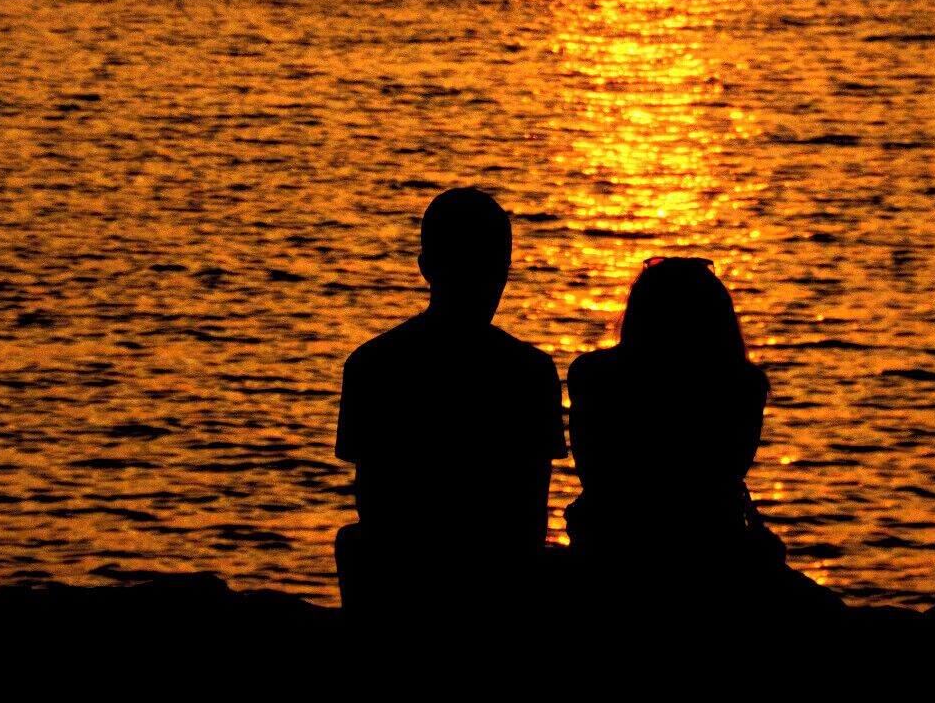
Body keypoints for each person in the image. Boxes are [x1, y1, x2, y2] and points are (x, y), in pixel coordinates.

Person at [334, 187, 565, 616]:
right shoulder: (530, 371)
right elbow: (529, 514)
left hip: (399, 585)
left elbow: (374, 503)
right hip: (495, 587)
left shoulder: (371, 365)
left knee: (353, 540)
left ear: (426, 267)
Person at [567, 257, 823, 615]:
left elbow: (593, 471)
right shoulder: (744, 386)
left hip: (607, 544)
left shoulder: (592, 375)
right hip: (714, 548)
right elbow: (727, 475)